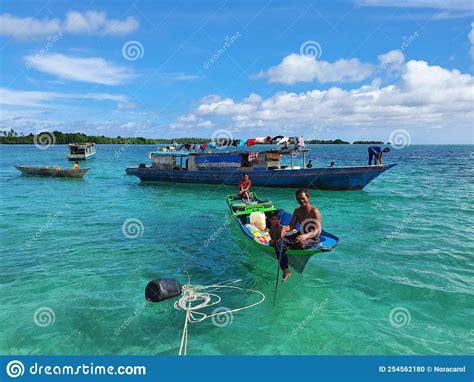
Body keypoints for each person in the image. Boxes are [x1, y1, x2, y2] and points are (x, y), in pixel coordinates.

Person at [270, 189, 322, 282]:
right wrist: (284, 229)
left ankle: (289, 253)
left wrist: (305, 236)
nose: (301, 201)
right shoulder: (297, 211)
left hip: (312, 237)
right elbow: (291, 225)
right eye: (298, 199)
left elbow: (317, 230)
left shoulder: (315, 212)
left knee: (300, 244)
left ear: (308, 198)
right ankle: (285, 270)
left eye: (303, 198)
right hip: (300, 233)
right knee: (279, 244)